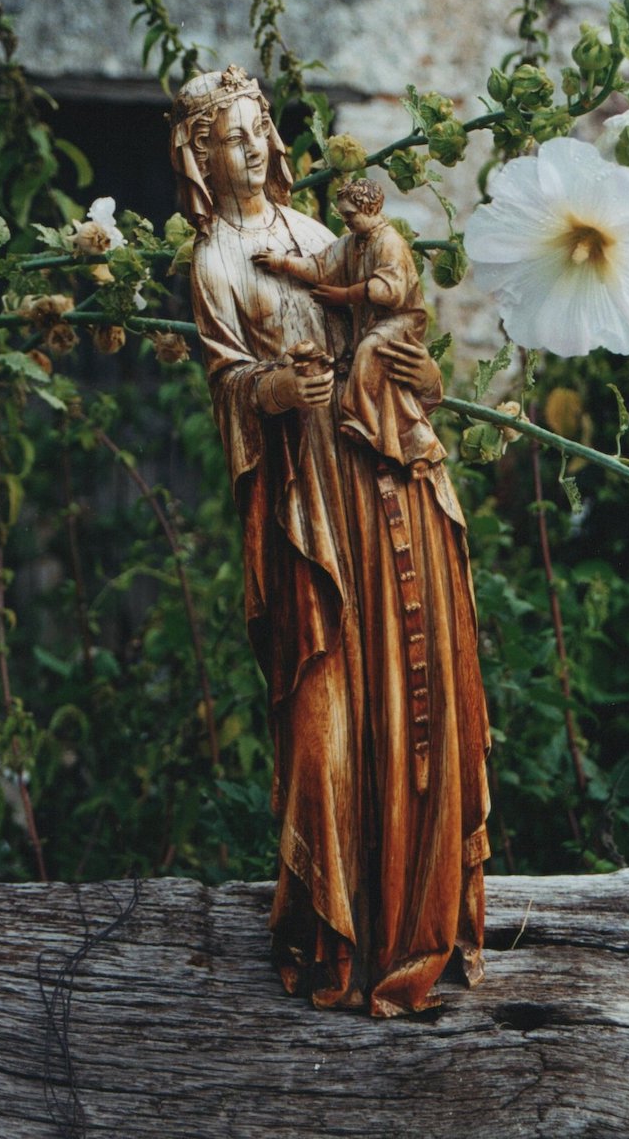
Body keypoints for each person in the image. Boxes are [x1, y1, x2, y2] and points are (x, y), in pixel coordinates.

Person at [170, 66, 491, 1017]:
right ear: (199, 156)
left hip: (383, 472)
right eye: (231, 135)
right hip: (312, 504)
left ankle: (417, 912)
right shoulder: (214, 264)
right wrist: (270, 392)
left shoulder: (318, 233)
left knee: (419, 685)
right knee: (330, 710)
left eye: (259, 127)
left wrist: (396, 360)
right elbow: (227, 378)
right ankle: (337, 923)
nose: (254, 146)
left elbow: (377, 316)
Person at [253, 177, 447, 467]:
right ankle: (405, 444)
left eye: (350, 215)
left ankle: (364, 425)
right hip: (374, 321)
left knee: (369, 350)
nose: (346, 222)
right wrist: (282, 263)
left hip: (401, 320)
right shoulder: (354, 243)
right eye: (343, 216)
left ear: (369, 208)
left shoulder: (390, 243)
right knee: (382, 376)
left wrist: (343, 295)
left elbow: (388, 292)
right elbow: (319, 268)